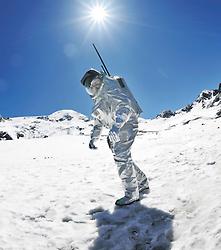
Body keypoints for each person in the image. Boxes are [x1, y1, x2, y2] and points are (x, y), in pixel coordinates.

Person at [81, 69, 149, 206]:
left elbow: (125, 107)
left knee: (121, 156)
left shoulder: (111, 89)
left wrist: (116, 126)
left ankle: (132, 194)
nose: (93, 87)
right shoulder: (99, 102)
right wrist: (93, 139)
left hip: (127, 123)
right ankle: (142, 182)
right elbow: (98, 124)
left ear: (100, 79)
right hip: (118, 127)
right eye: (90, 87)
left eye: (95, 83)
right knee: (122, 156)